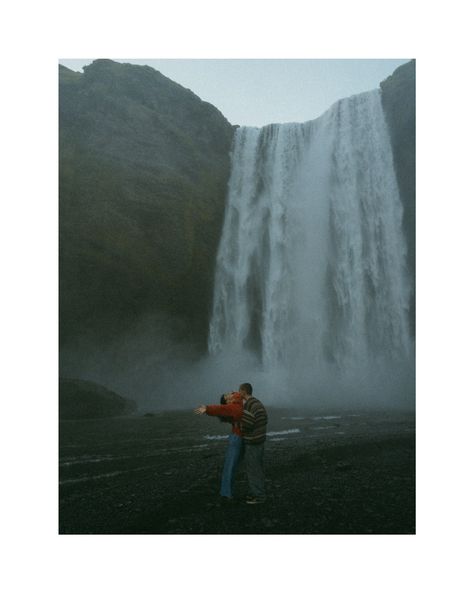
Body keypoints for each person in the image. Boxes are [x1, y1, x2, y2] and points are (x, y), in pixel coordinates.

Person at [194, 392, 244, 503]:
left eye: (229, 394)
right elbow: (220, 409)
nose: (230, 395)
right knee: (230, 466)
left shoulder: (239, 402)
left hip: (240, 437)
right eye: (227, 397)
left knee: (232, 466)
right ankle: (226, 493)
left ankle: (227, 492)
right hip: (237, 438)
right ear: (228, 402)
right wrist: (207, 409)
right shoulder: (234, 406)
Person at [239, 383, 268, 504]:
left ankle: (259, 496)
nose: (239, 393)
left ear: (244, 391)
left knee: (253, 469)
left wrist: (240, 428)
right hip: (260, 439)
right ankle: (257, 493)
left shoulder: (249, 405)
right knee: (258, 468)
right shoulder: (257, 402)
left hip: (253, 441)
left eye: (240, 391)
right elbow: (264, 419)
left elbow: (248, 424)